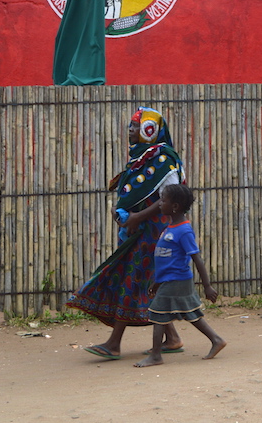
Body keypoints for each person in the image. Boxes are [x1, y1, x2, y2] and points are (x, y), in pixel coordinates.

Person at [67, 107, 185, 359]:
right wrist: (125, 213)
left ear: (148, 131)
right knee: (145, 281)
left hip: (155, 231)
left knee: (130, 279)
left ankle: (114, 343)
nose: (129, 131)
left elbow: (171, 196)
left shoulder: (164, 159)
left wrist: (137, 216)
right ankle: (172, 337)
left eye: (134, 127)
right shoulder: (143, 158)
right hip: (141, 229)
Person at [135, 184, 226, 367]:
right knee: (191, 313)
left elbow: (197, 259)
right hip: (169, 280)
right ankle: (216, 340)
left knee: (158, 314)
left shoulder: (183, 230)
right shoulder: (170, 228)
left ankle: (156, 356)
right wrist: (157, 283)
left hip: (177, 280)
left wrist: (207, 285)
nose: (160, 203)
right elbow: (166, 262)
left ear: (175, 206)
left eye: (163, 200)